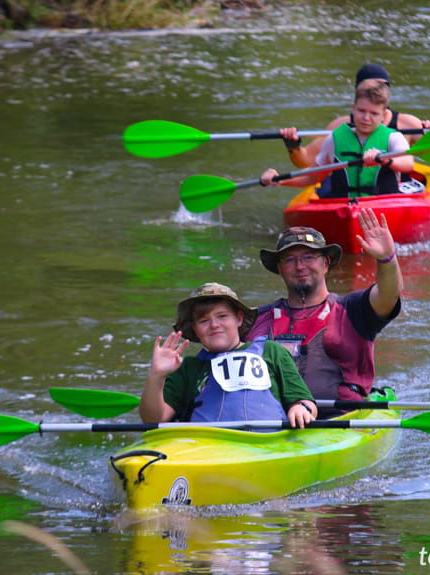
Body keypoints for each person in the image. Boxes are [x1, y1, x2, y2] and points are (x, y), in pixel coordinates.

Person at [245, 211, 401, 414]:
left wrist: (387, 259)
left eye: (309, 257)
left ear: (325, 263)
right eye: (290, 259)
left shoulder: (352, 309)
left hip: (341, 421)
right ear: (280, 268)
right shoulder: (254, 320)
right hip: (272, 422)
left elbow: (389, 295)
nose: (300, 266)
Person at [139, 282, 318, 428]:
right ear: (194, 328)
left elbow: (306, 402)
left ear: (238, 319)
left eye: (222, 316)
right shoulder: (187, 368)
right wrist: (156, 375)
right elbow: (154, 420)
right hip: (207, 448)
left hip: (270, 444)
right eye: (204, 321)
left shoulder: (271, 351)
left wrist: (300, 408)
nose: (214, 325)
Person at [261, 79, 414, 198]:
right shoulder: (334, 139)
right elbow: (314, 176)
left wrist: (385, 159)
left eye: (374, 113)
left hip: (384, 204)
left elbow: (408, 164)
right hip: (344, 206)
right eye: (361, 111)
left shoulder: (394, 138)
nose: (366, 118)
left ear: (384, 115)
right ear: (353, 108)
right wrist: (280, 180)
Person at [281, 63, 430, 170]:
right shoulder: (339, 127)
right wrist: (293, 147)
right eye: (370, 87)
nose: (376, 91)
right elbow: (306, 161)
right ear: (358, 91)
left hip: (395, 191)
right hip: (350, 194)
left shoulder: (408, 123)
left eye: (382, 87)